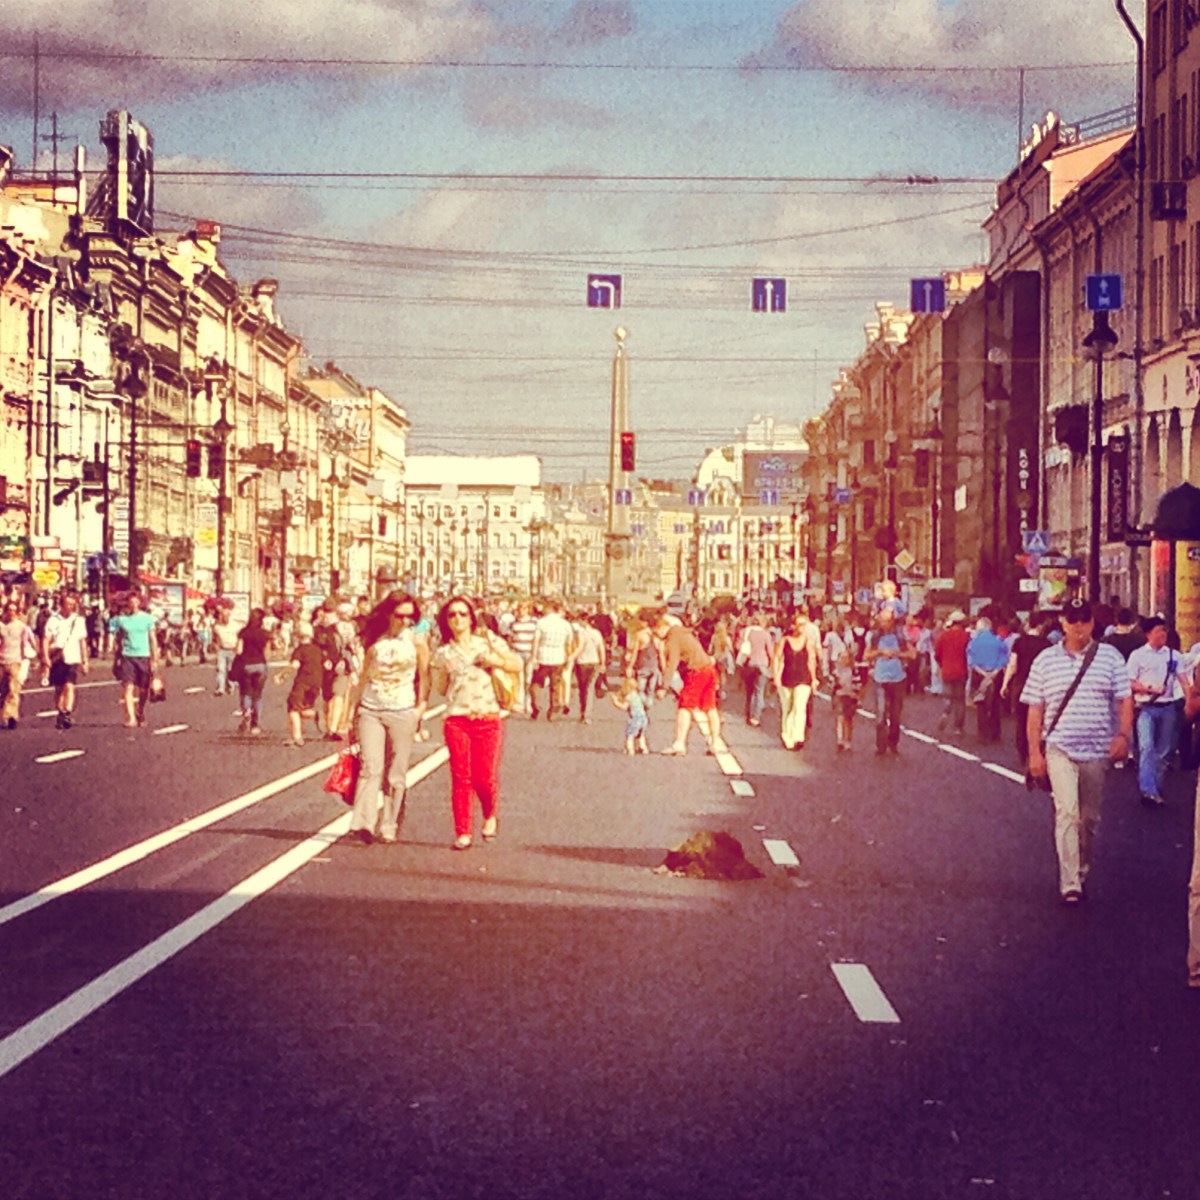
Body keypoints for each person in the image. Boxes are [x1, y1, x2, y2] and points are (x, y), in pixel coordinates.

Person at [1022, 598, 1133, 905]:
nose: (1079, 626)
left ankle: (1082, 869)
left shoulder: (1110, 658)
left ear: (1092, 624)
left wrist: (1123, 735)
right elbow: (1035, 709)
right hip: (1060, 748)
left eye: (1085, 620)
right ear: (1063, 623)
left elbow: (1125, 699)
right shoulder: (1045, 660)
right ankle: (1069, 881)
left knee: (1089, 819)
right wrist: (1035, 752)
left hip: (1097, 750)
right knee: (1067, 812)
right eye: (1073, 620)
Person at [430, 595, 522, 850]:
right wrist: (445, 671)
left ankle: (490, 813)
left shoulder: (487, 644)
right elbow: (440, 689)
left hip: (487, 717)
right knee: (461, 777)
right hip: (457, 719)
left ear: (471, 618)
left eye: (462, 614)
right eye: (451, 615)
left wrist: (495, 661)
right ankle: (463, 831)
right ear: (445, 621)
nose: (457, 619)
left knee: (485, 777)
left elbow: (517, 664)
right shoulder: (442, 652)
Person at [344, 593, 430, 844]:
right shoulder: (376, 640)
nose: (405, 621)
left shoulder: (417, 641)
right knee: (371, 767)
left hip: (402, 710)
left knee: (396, 773)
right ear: (389, 615)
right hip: (371, 709)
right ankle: (363, 824)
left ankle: (390, 822)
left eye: (409, 617)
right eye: (400, 616)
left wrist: (421, 706)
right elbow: (364, 677)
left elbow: (425, 675)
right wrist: (352, 712)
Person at [1127, 617, 1189, 806]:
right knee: (1146, 747)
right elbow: (1129, 681)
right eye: (1158, 631)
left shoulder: (1173, 656)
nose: (1162, 634)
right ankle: (1148, 790)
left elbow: (1183, 679)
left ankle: (1155, 786)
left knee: (1165, 750)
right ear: (1148, 634)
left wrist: (1189, 700)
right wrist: (1148, 689)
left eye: (1164, 631)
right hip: (1146, 707)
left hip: (1168, 707)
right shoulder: (1137, 656)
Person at [654, 611, 727, 756]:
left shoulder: (673, 637)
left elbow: (672, 662)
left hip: (696, 671)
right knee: (710, 707)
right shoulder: (685, 633)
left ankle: (679, 743)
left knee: (685, 706)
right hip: (708, 669)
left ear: (663, 627)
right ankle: (715, 742)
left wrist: (664, 686)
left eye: (656, 631)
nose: (657, 635)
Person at [1001, 611, 1055, 768]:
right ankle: (1038, 751)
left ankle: (1022, 752)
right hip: (1042, 687)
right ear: (1040, 625)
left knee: (1022, 720)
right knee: (1041, 721)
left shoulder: (1019, 642)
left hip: (1021, 685)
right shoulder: (1046, 644)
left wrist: (1006, 684)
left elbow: (1013, 665)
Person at [865, 607, 914, 755]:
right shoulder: (875, 636)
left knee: (895, 715)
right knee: (880, 713)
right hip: (880, 678)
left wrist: (897, 654)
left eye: (886, 620)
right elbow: (866, 655)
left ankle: (893, 742)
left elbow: (912, 654)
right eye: (881, 620)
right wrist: (880, 652)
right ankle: (880, 745)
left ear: (892, 621)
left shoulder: (900, 636)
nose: (883, 623)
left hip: (898, 678)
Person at [109, 592, 160, 728]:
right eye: (131, 602)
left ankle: (140, 711)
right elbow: (118, 640)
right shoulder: (121, 620)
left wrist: (155, 660)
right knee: (128, 687)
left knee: (143, 689)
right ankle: (130, 717)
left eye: (136, 602)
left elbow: (153, 640)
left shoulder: (148, 619)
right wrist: (116, 658)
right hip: (127, 656)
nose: (133, 605)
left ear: (140, 603)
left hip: (144, 656)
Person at [276, 621, 329, 747]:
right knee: (303, 708)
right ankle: (316, 714)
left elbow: (295, 665)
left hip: (303, 681)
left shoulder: (299, 650)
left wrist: (281, 674)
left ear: (299, 635)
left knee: (293, 707)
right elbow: (327, 665)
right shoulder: (318, 650)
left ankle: (297, 737)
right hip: (316, 683)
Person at [42, 592, 90, 730]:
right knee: (59, 688)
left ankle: (67, 712)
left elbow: (82, 642)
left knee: (70, 685)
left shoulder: (78, 620)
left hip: (73, 657)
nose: (71, 607)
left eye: (72, 605)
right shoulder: (53, 620)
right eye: (68, 604)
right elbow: (46, 639)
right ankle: (60, 712)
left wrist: (85, 661)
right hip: (57, 657)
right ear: (61, 605)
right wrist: (45, 657)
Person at [772, 607, 819, 750]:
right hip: (786, 678)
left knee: (800, 707)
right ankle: (787, 735)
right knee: (787, 708)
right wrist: (776, 677)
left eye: (804, 624)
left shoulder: (808, 642)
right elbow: (777, 658)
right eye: (799, 624)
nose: (802, 628)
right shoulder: (784, 641)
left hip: (803, 678)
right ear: (792, 626)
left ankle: (798, 737)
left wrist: (814, 679)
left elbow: (811, 660)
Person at [529, 598, 574, 720]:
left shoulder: (541, 622)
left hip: (543, 656)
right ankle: (553, 709)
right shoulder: (565, 624)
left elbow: (536, 641)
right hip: (559, 657)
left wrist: (534, 657)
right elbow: (568, 644)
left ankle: (536, 704)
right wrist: (569, 658)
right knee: (556, 685)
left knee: (535, 683)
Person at [967, 616, 1010, 744]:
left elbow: (971, 662)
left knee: (981, 704)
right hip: (996, 676)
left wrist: (984, 674)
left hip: (980, 675)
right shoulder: (999, 642)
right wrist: (994, 672)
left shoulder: (973, 642)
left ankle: (983, 734)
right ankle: (995, 733)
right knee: (995, 703)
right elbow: (1004, 660)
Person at [1, 600, 39, 730]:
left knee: (13, 690)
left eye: (13, 610)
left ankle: (11, 716)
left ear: (17, 613)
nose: (11, 613)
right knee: (3, 690)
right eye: (9, 610)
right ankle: (4, 712)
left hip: (15, 661)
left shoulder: (21, 627)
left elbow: (27, 642)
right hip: (1, 662)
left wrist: (32, 658)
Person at [235, 607, 272, 736]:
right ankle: (255, 724)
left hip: (246, 665)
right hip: (260, 665)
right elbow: (267, 654)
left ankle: (246, 712)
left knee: (246, 692)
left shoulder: (243, 632)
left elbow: (238, 650)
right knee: (258, 695)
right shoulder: (265, 634)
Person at [935, 610, 970, 735]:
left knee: (947, 695)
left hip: (947, 671)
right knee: (960, 700)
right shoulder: (966, 636)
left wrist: (942, 664)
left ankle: (945, 712)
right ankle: (958, 728)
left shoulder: (944, 636)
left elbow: (937, 654)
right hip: (961, 671)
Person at [572, 613, 606, 724]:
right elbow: (601, 649)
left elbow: (580, 647)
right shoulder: (597, 634)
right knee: (589, 689)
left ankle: (584, 713)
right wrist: (603, 662)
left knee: (583, 689)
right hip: (594, 662)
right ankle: (587, 714)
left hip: (582, 663)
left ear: (584, 621)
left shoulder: (582, 634)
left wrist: (571, 658)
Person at [832, 645, 862, 751]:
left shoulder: (853, 671)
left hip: (850, 696)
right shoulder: (836, 672)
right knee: (840, 716)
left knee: (848, 719)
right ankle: (840, 739)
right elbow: (833, 684)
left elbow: (858, 683)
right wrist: (837, 684)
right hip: (840, 695)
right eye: (841, 658)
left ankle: (847, 739)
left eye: (846, 658)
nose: (843, 660)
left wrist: (857, 695)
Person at [610, 675, 650, 755]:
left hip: (635, 718)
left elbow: (624, 707)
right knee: (640, 735)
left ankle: (630, 749)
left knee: (630, 735)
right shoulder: (638, 695)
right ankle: (643, 748)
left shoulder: (629, 697)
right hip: (643, 717)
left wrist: (615, 702)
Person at [211, 608, 239, 695]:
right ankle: (220, 688)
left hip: (232, 649)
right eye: (222, 616)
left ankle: (231, 686)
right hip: (222, 650)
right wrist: (216, 645)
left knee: (231, 670)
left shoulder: (235, 625)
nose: (223, 618)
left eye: (225, 616)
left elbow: (239, 637)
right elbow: (215, 637)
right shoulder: (217, 626)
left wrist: (237, 647)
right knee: (220, 669)